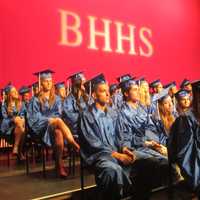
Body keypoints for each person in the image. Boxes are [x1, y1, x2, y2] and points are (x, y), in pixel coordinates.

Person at [79, 74, 136, 200]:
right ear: (94, 95)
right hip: (97, 156)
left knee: (142, 163)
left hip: (116, 153)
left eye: (107, 91)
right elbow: (93, 144)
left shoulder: (113, 113)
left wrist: (125, 149)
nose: (107, 94)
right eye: (103, 91)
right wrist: (117, 155)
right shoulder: (87, 115)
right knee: (112, 170)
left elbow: (120, 136)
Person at [116, 78, 170, 187]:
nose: (138, 92)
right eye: (135, 89)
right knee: (156, 161)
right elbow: (125, 138)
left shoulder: (141, 109)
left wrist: (154, 143)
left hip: (147, 145)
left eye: (138, 89)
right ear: (126, 93)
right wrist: (145, 142)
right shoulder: (122, 114)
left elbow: (151, 129)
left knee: (167, 159)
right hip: (134, 148)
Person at [27, 69, 80, 177]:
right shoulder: (35, 99)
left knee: (58, 132)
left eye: (50, 81)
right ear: (41, 83)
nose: (49, 83)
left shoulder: (56, 98)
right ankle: (72, 142)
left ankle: (59, 165)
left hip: (55, 127)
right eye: (46, 81)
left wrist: (54, 120)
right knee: (58, 122)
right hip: (41, 128)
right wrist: (48, 120)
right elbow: (33, 117)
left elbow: (58, 113)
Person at [168, 80, 200, 198]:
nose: (186, 100)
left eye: (187, 98)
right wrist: (196, 183)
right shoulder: (186, 119)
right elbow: (186, 154)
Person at [1, 84, 26, 160]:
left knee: (20, 126)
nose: (16, 92)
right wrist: (13, 120)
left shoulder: (21, 104)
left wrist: (21, 119)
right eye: (13, 91)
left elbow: (23, 115)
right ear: (9, 94)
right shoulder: (4, 106)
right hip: (9, 129)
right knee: (22, 129)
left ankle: (15, 147)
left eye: (16, 91)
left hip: (19, 127)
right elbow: (4, 119)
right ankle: (19, 152)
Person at [63, 72, 88, 136]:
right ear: (76, 85)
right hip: (76, 132)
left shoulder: (88, 98)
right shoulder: (67, 101)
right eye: (82, 84)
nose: (84, 86)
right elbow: (71, 119)